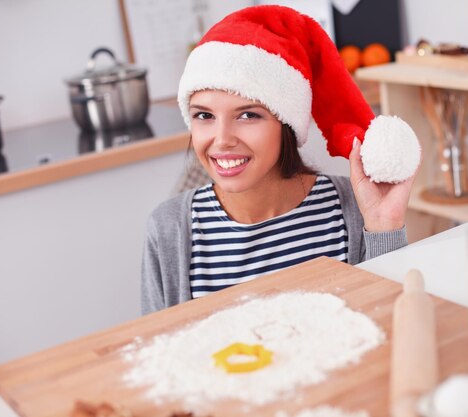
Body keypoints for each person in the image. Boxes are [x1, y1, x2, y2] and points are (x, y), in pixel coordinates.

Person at [141, 5, 420, 314]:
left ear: (285, 124)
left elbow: (394, 325)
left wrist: (384, 228)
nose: (221, 139)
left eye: (248, 115)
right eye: (204, 115)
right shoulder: (169, 230)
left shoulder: (352, 210)